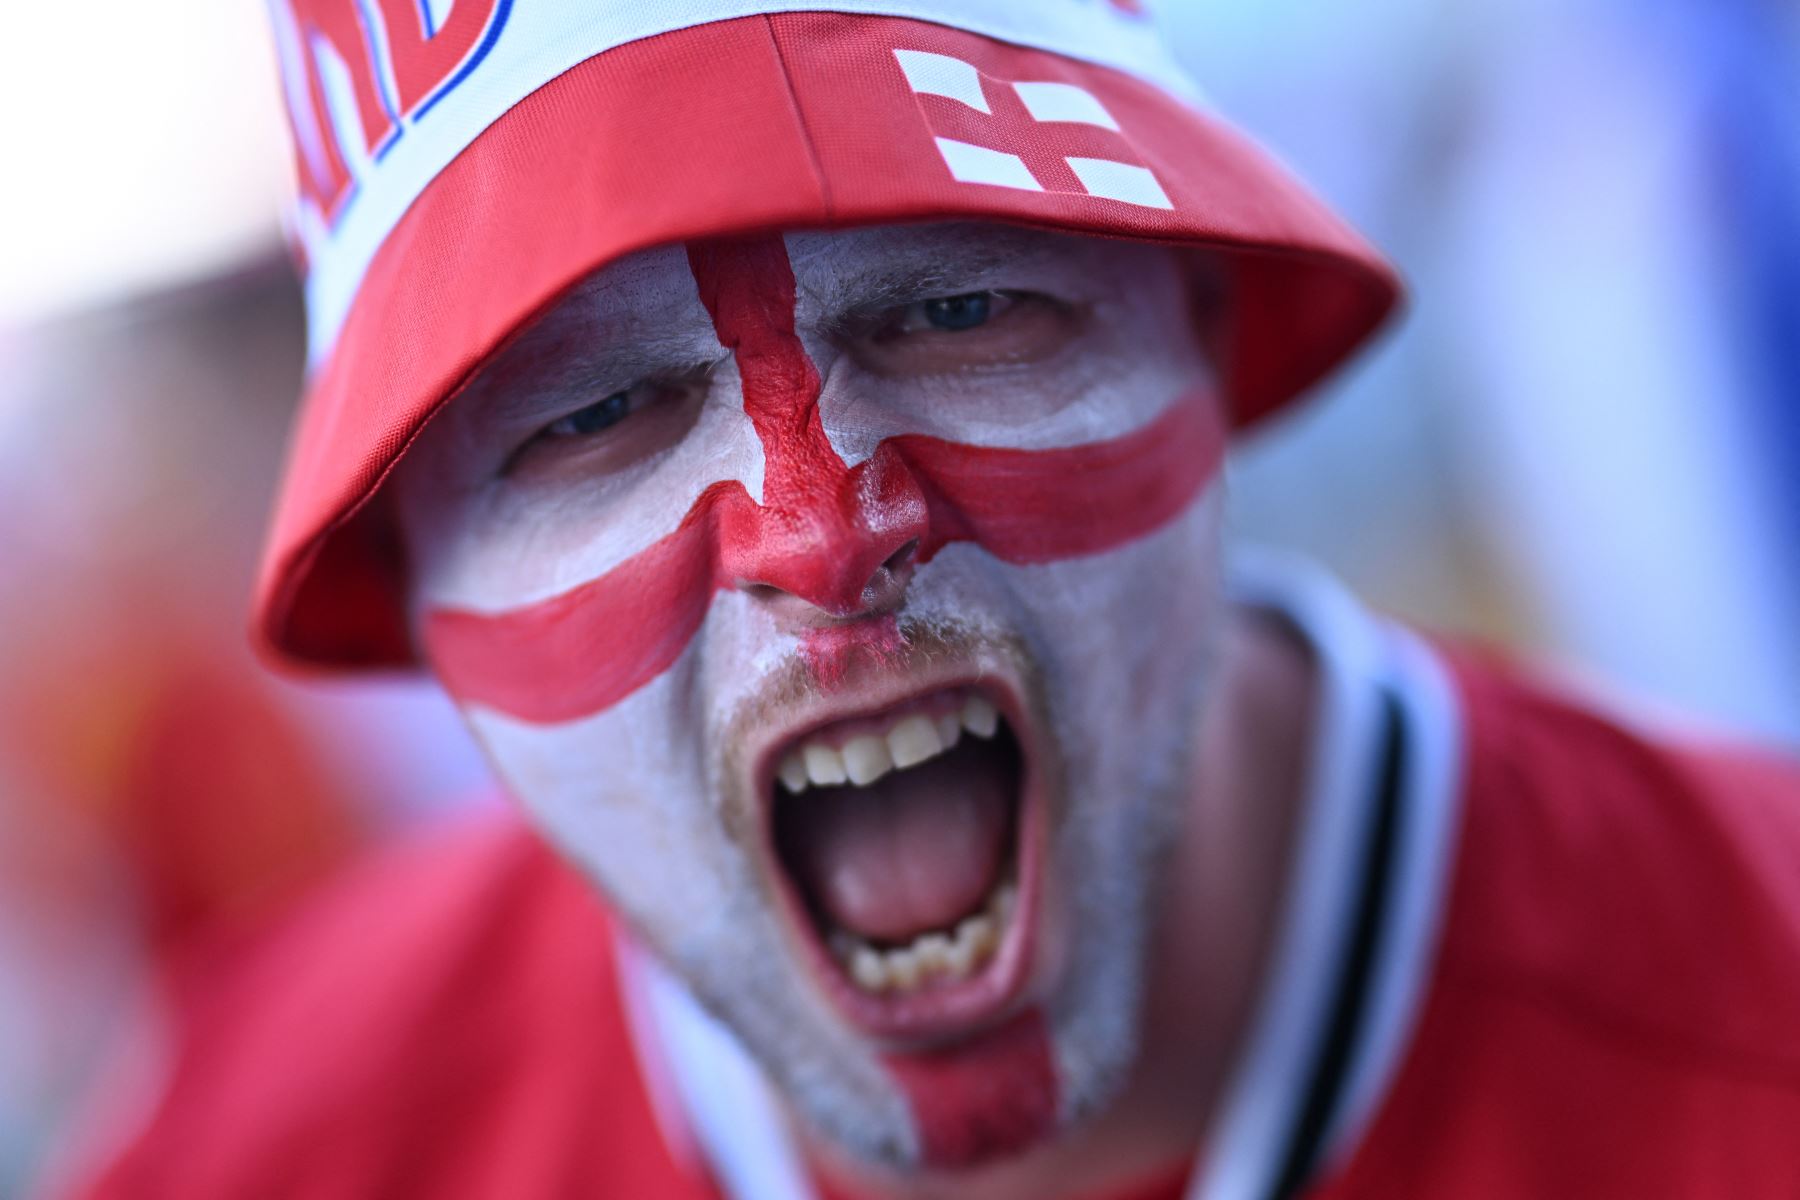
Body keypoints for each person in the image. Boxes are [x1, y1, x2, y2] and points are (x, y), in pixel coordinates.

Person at [76, 3, 1800, 1198]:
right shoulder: (254, 1147)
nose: (820, 535)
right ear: (411, 587)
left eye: (962, 307)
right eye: (591, 415)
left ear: (1202, 325)